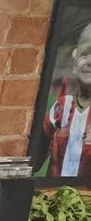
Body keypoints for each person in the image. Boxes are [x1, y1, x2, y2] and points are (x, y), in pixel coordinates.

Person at [35, 19, 91, 179]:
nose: (90, 62)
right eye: (85, 54)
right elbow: (33, 161)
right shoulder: (61, 108)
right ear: (74, 63)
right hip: (55, 192)